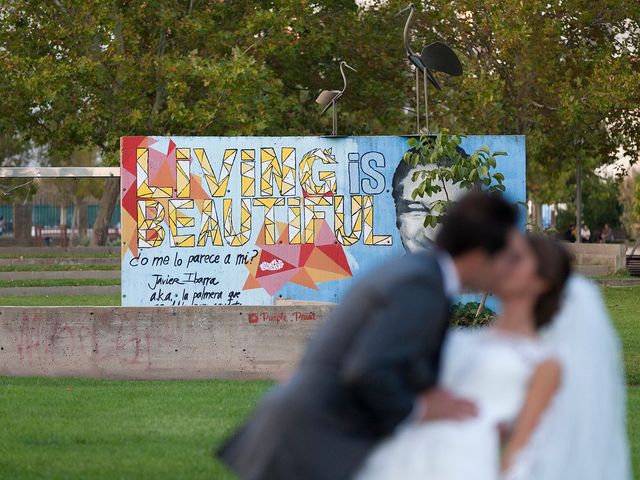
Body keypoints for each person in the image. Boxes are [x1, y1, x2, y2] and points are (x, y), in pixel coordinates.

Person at [216, 191, 521, 480]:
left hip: (309, 434)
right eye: (505, 259)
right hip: (313, 441)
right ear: (479, 257)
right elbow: (368, 370)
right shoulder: (422, 284)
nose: (507, 271)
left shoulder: (415, 272)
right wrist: (422, 408)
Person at [354, 235, 571, 480]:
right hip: (410, 457)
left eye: (516, 259)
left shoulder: (543, 362)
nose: (502, 263)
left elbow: (520, 450)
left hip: (467, 467)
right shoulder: (459, 338)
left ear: (541, 282)